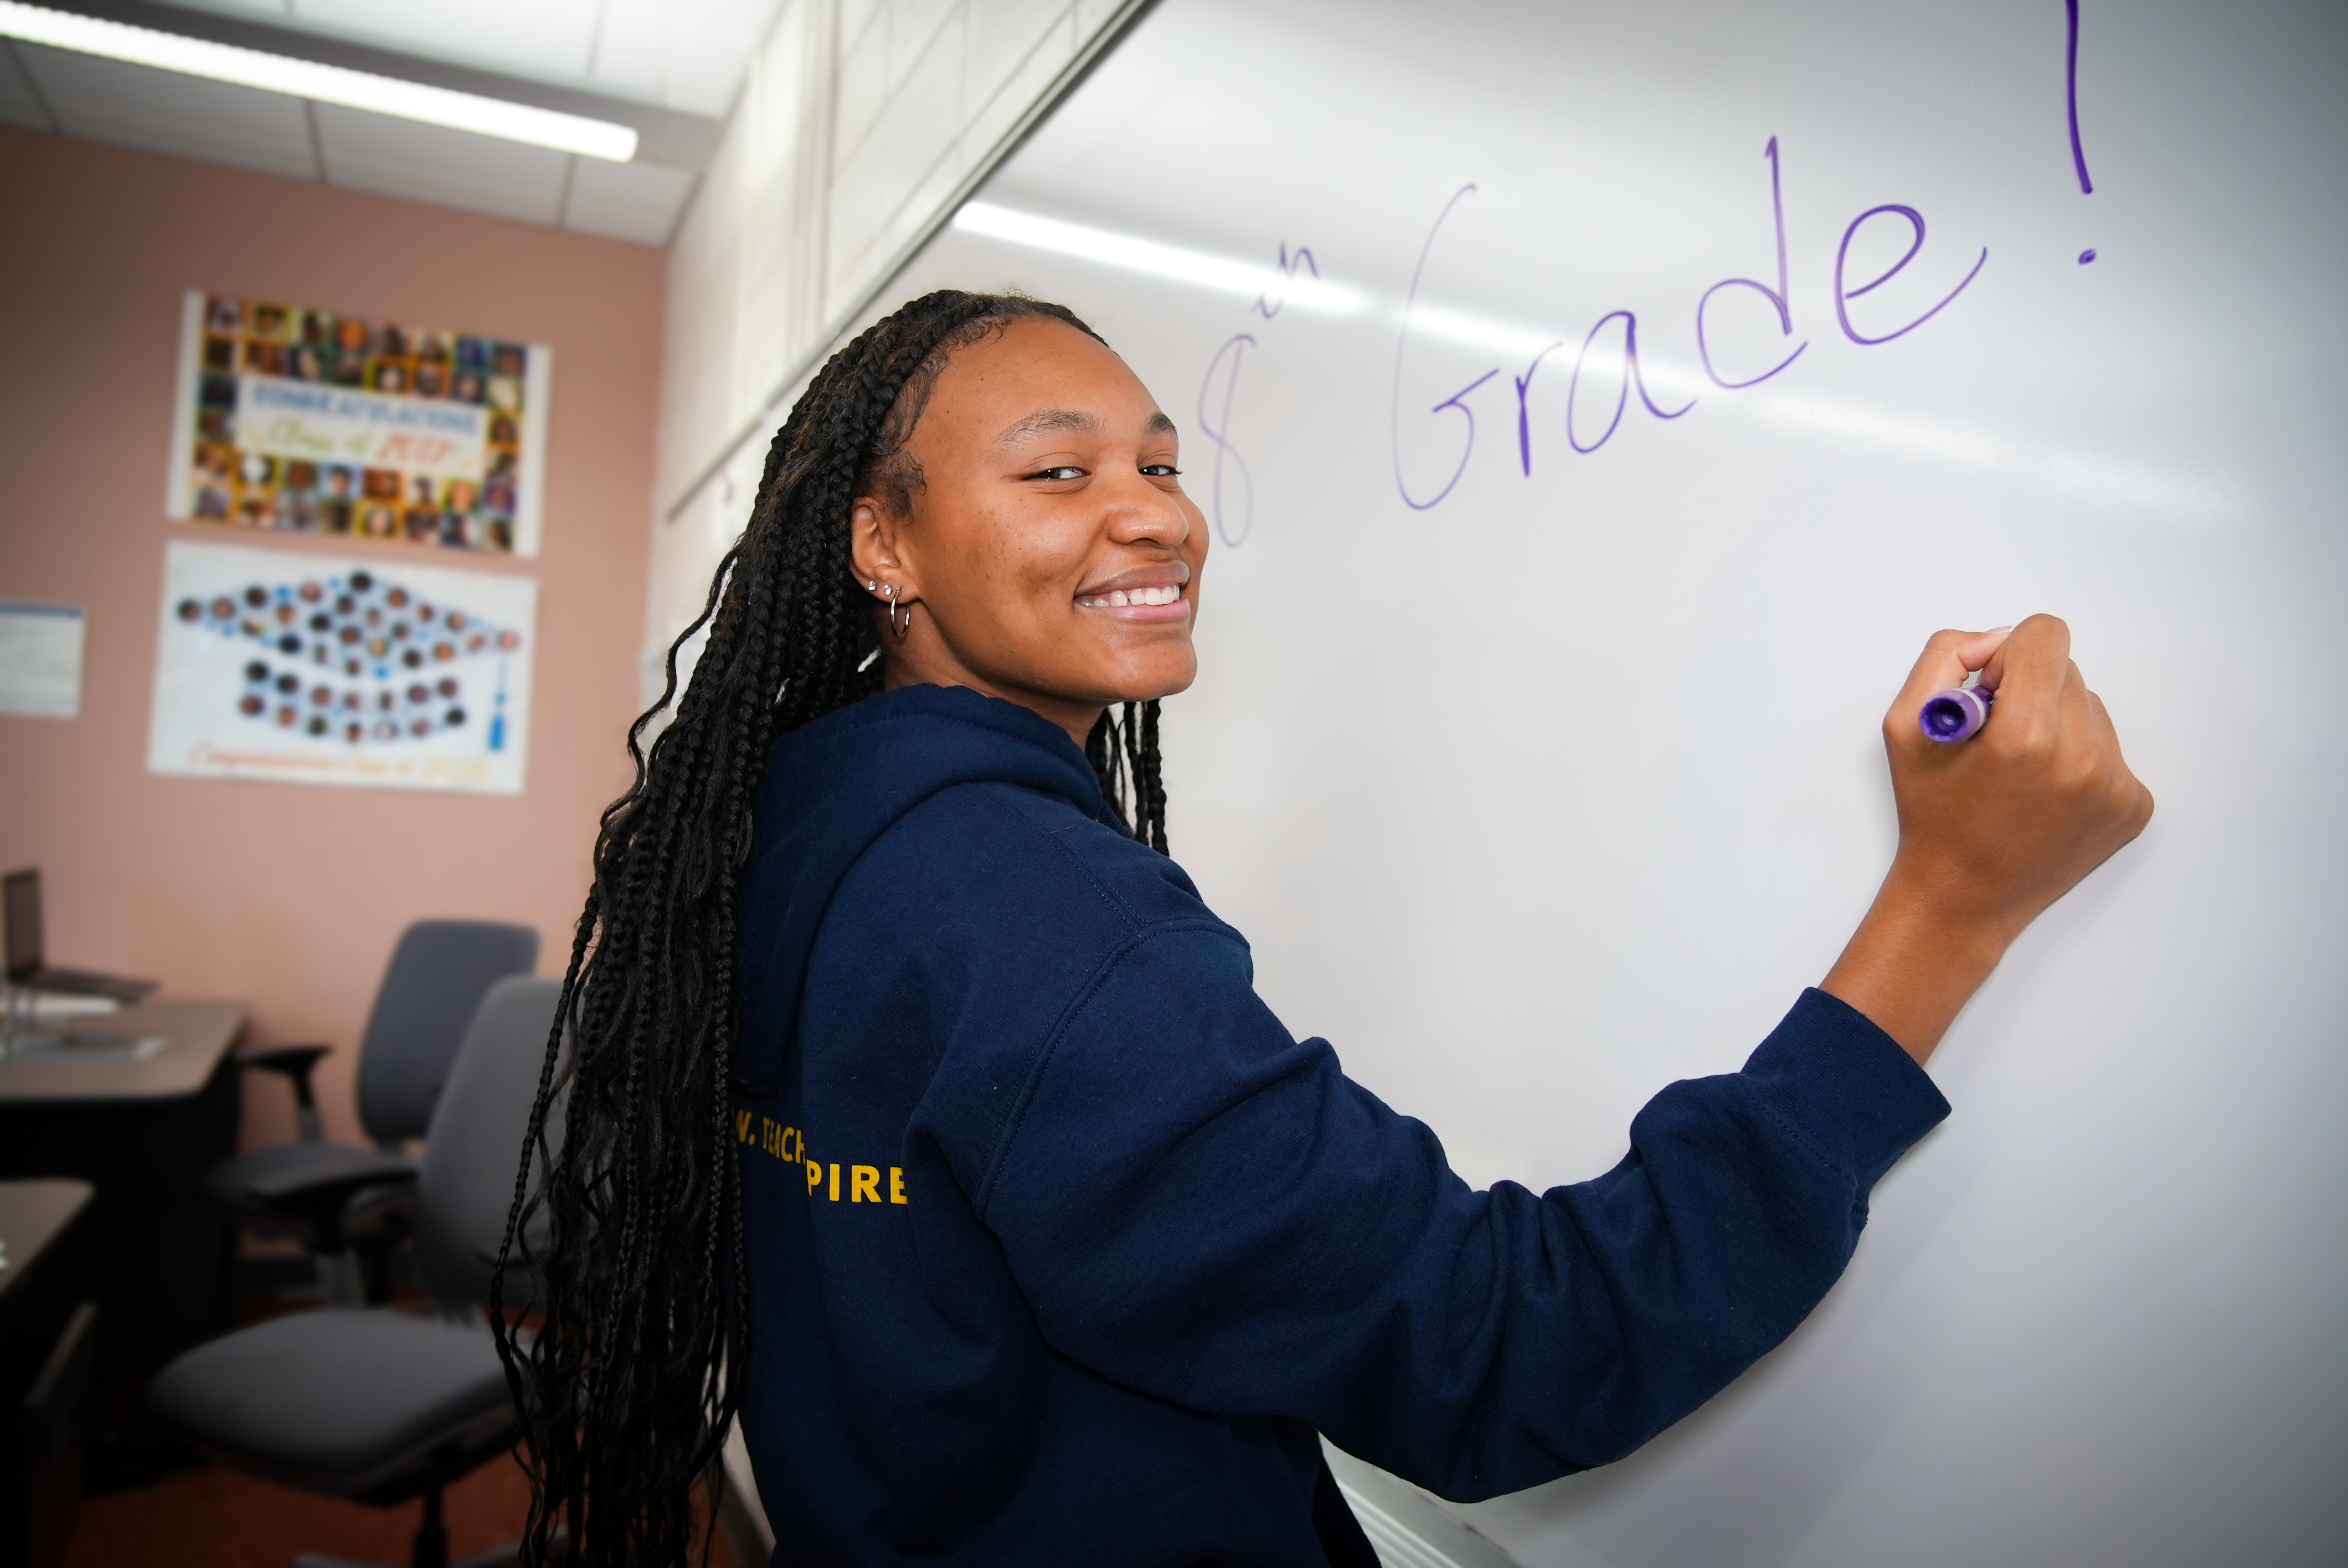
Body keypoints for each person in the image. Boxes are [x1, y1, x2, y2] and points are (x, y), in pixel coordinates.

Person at [496, 292, 2151, 1567]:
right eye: (1058, 470)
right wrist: (1952, 901)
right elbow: (1517, 1342)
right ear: (882, 541)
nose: (1153, 514)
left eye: (1158, 461)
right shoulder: (1041, 925)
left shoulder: (789, 818)